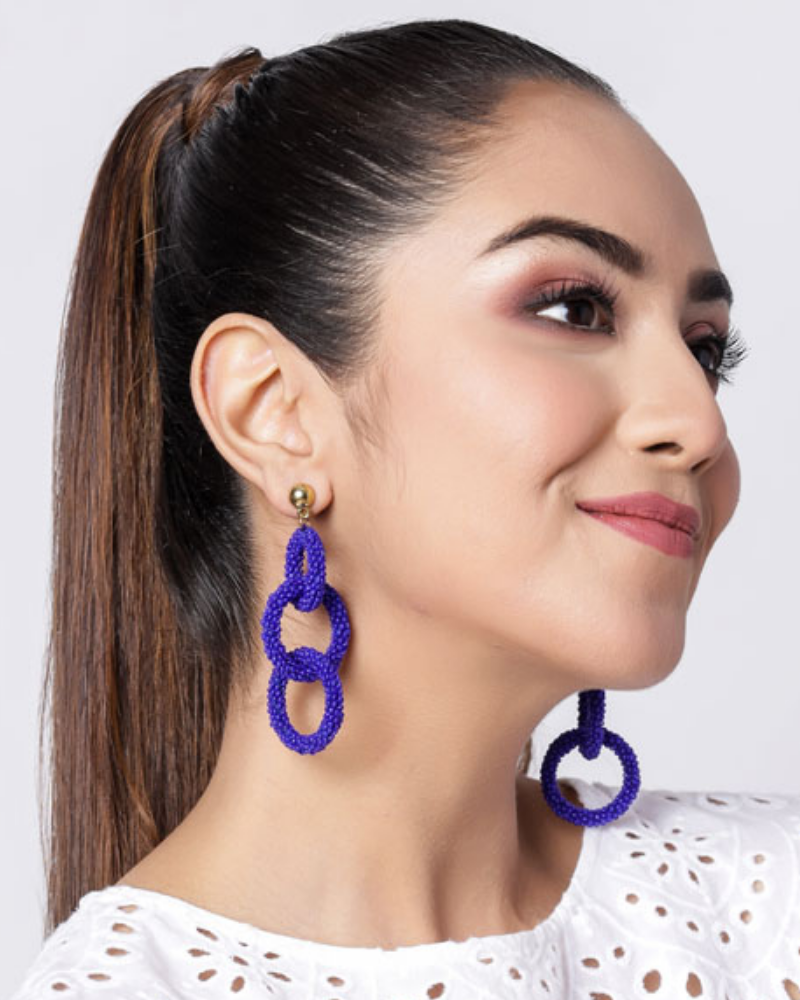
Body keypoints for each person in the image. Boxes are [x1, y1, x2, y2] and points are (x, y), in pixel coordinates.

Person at [10, 16, 799, 1000]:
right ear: (274, 412)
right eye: (574, 308)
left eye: (704, 349)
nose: (698, 422)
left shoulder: (767, 912)